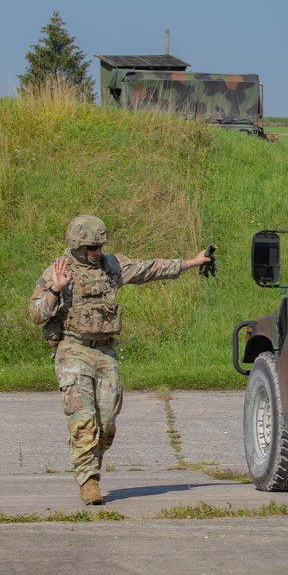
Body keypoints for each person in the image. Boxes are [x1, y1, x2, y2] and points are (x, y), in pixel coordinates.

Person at [28, 215, 213, 506]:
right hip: (72, 350)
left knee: (107, 422)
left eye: (100, 246)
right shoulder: (59, 270)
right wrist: (54, 289)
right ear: (76, 246)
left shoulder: (111, 266)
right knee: (83, 419)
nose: (96, 252)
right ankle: (88, 479)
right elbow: (37, 314)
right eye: (90, 247)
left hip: (105, 352)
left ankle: (90, 462)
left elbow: (149, 268)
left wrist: (191, 262)